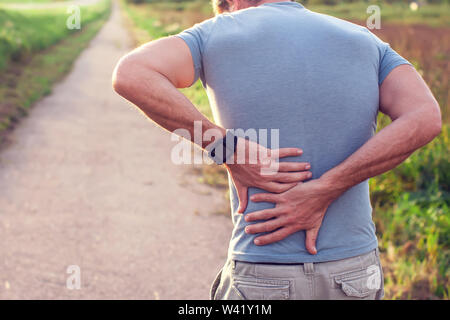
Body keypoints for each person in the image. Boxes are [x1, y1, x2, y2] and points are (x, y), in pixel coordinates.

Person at [112, 0, 442, 299]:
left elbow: (131, 73)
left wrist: (226, 148)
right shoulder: (365, 41)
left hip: (264, 272)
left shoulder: (215, 33)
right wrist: (328, 188)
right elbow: (425, 116)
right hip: (354, 272)